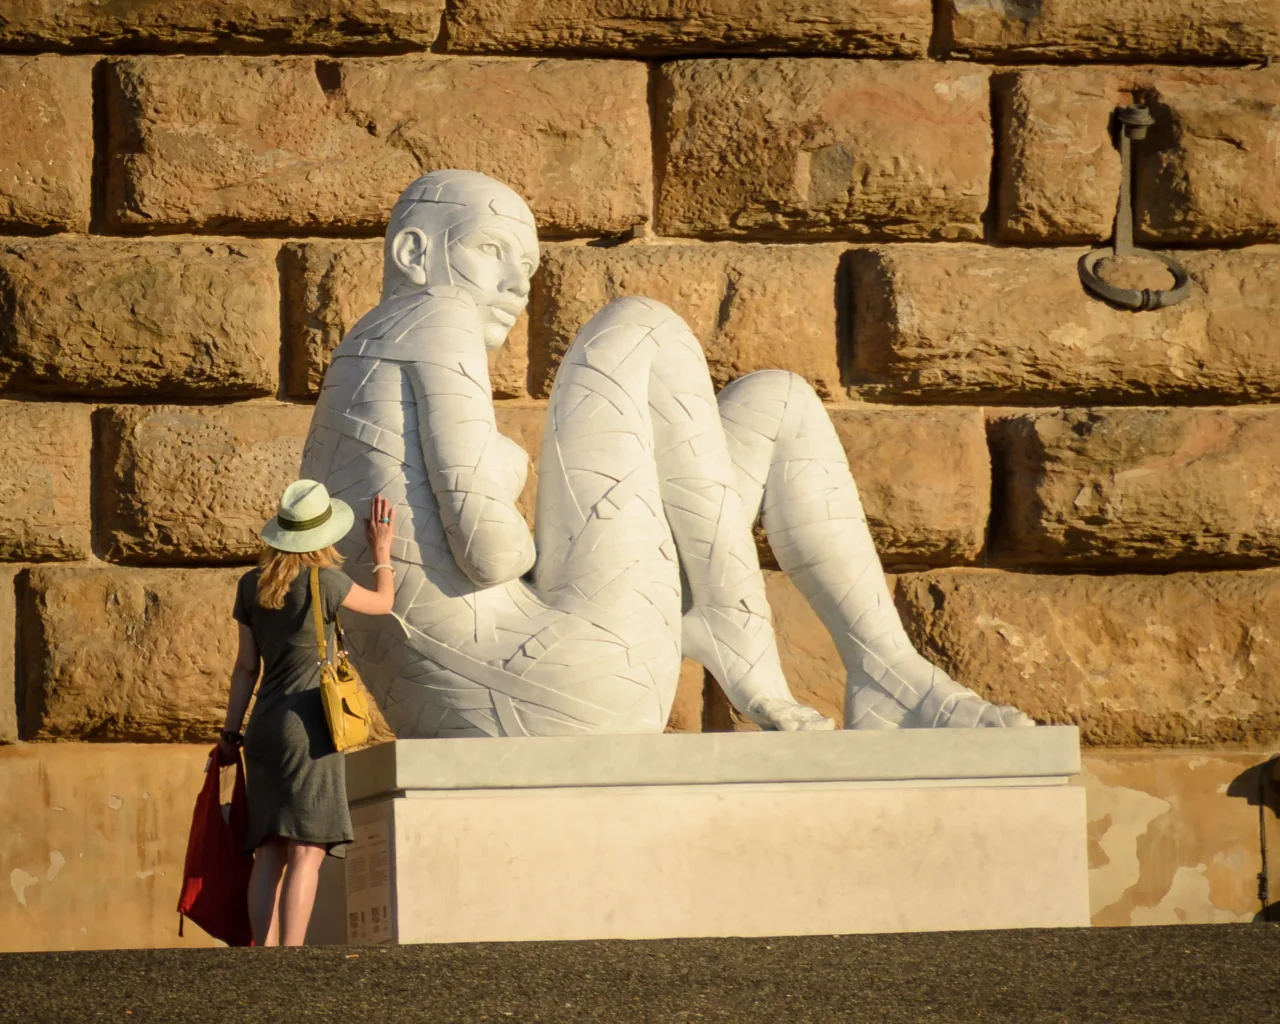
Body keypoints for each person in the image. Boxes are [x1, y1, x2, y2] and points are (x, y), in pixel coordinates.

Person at [218, 480, 397, 946]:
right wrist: (382, 552)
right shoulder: (328, 582)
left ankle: (262, 952)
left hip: (262, 731)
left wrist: (229, 734)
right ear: (323, 536)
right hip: (311, 728)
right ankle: (292, 957)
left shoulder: (250, 585)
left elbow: (244, 668)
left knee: (269, 850)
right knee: (307, 850)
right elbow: (383, 603)